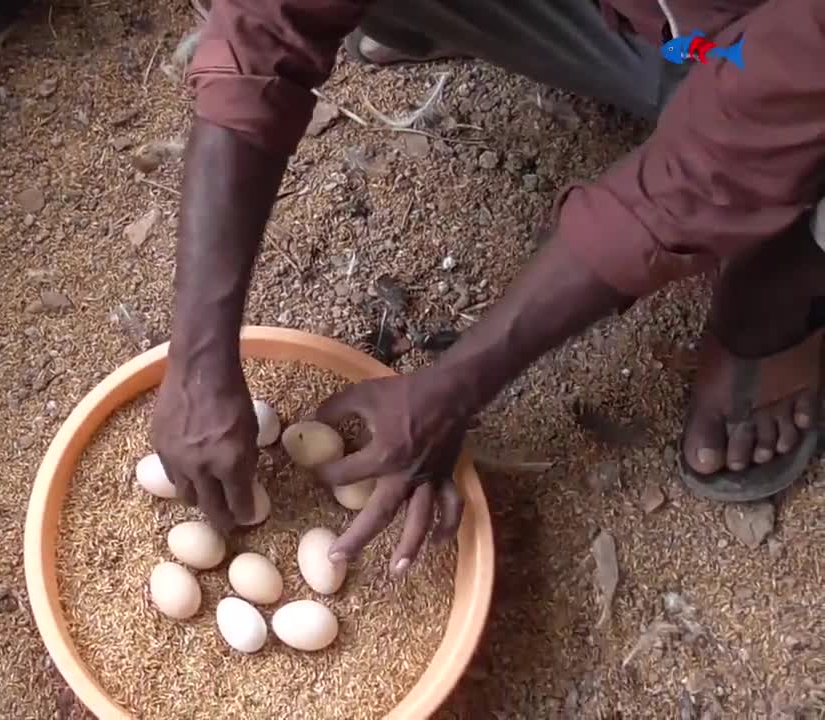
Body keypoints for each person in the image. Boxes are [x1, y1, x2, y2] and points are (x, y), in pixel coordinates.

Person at [150, 0, 825, 576]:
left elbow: (711, 166)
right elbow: (265, 25)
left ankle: (777, 308)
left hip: (760, 53)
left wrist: (458, 385)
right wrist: (201, 353)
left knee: (796, 155)